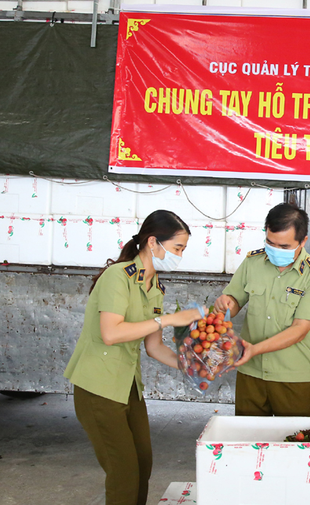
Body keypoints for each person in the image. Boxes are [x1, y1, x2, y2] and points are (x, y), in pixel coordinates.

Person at [64, 210, 205, 505]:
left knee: (142, 464)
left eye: (183, 249)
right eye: (177, 248)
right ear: (153, 242)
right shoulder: (119, 276)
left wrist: (192, 365)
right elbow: (111, 334)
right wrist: (168, 320)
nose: (180, 255)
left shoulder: (154, 287)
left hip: (127, 388)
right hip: (98, 388)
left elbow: (154, 348)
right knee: (124, 472)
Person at [213, 203, 310, 417]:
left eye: (284, 246)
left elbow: (299, 330)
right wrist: (225, 303)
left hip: (291, 375)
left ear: (303, 241)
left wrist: (254, 350)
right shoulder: (253, 262)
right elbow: (234, 300)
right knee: (248, 439)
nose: (275, 250)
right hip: (251, 373)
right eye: (270, 243)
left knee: (292, 443)